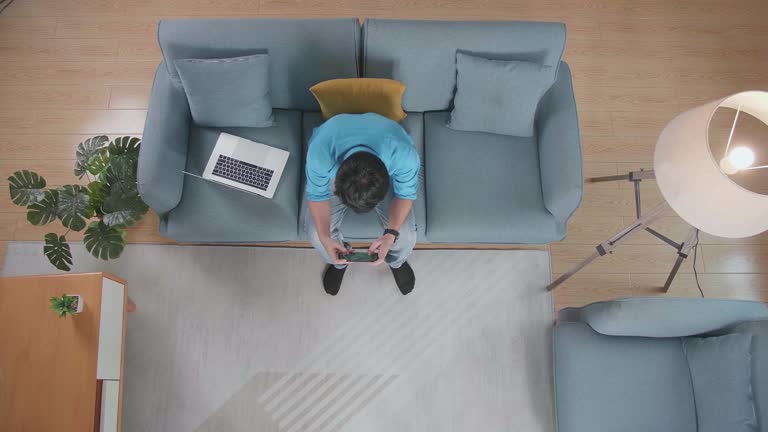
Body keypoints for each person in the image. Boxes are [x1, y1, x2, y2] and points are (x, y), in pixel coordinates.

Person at [304, 112, 420, 296]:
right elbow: (317, 196)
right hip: (340, 159)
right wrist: (325, 237)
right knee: (316, 236)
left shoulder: (404, 155)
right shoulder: (320, 153)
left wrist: (391, 234)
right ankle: (339, 261)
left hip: (385, 159)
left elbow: (405, 195)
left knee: (405, 236)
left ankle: (396, 261)